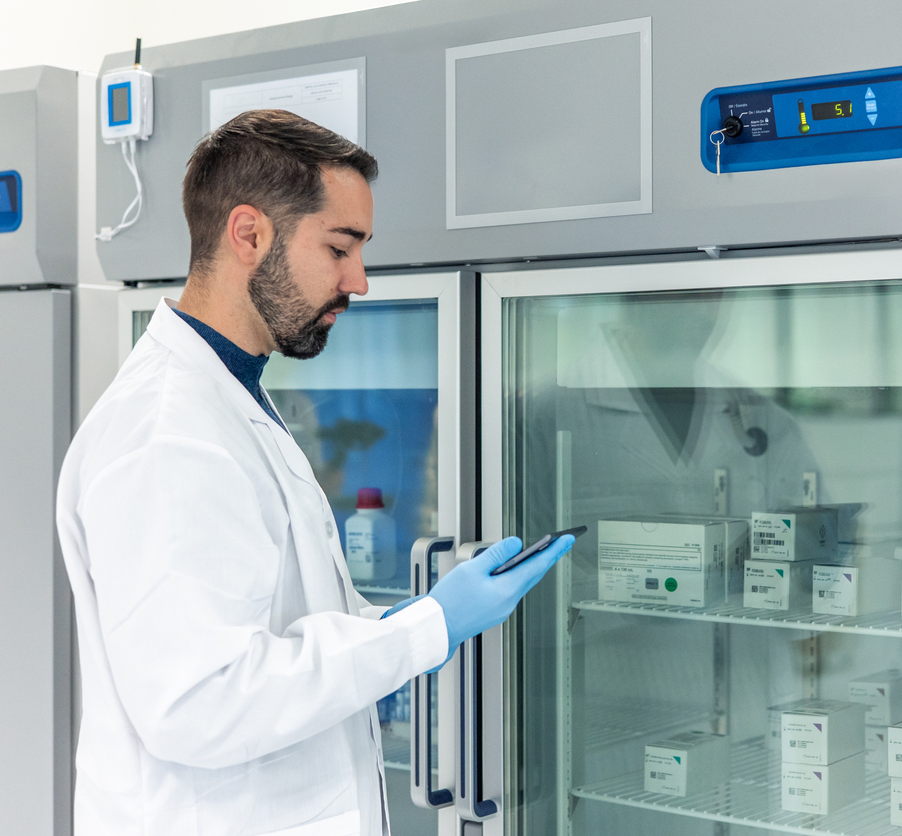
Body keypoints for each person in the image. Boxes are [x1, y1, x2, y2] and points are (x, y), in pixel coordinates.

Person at [56, 109, 573, 836]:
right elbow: (198, 701)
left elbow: (275, 631)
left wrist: (399, 621)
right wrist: (426, 627)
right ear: (248, 235)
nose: (359, 281)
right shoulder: (167, 435)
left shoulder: (231, 399)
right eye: (340, 248)